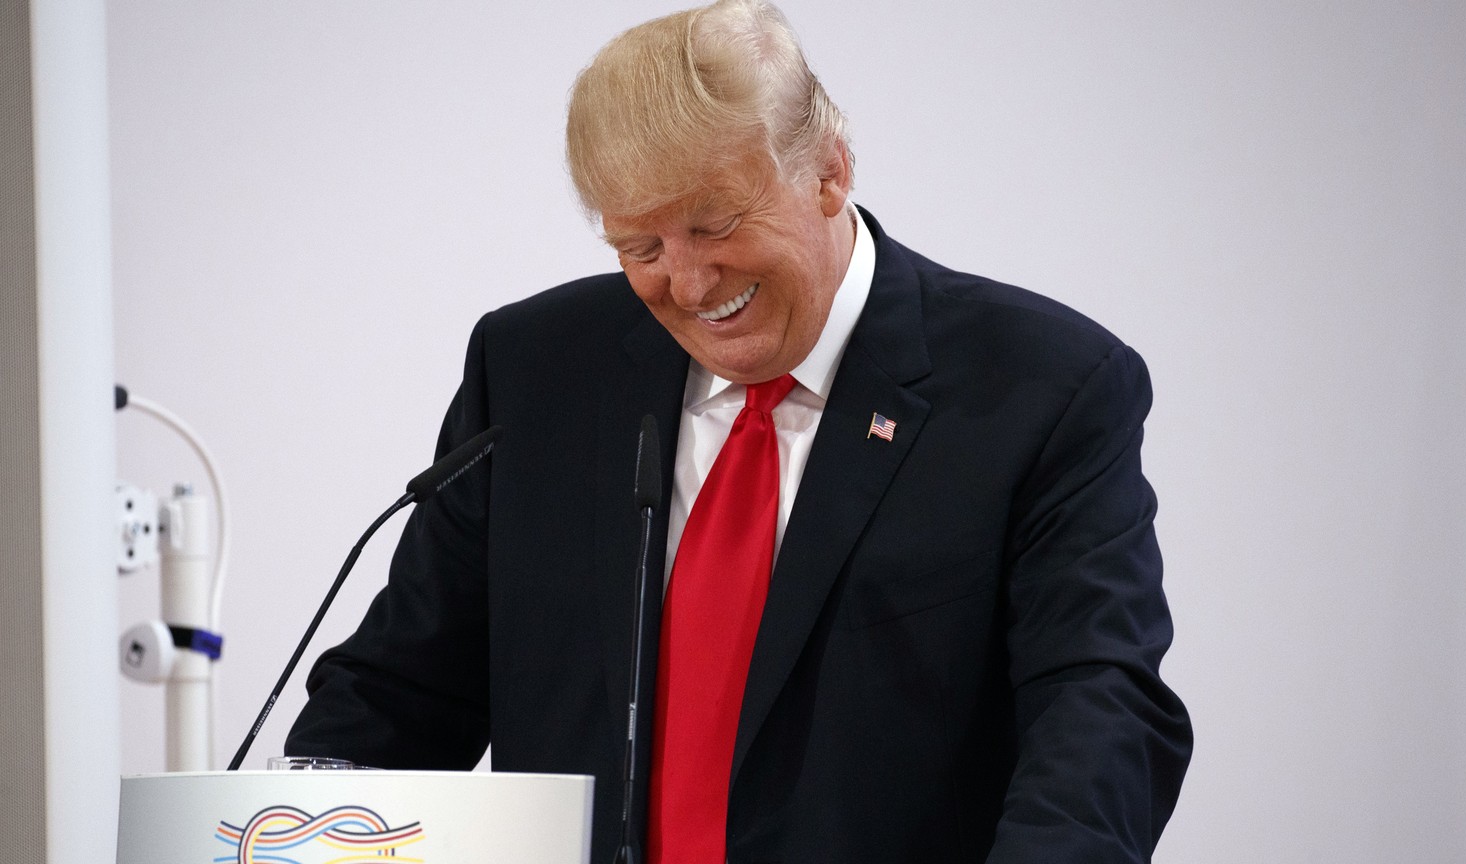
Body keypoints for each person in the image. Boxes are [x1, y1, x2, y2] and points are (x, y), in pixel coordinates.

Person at [287, 1, 1193, 861]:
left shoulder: (1043, 388)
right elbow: (403, 692)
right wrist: (291, 824)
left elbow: (1098, 706)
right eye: (639, 249)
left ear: (830, 170)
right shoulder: (533, 370)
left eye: (712, 226)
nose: (685, 286)